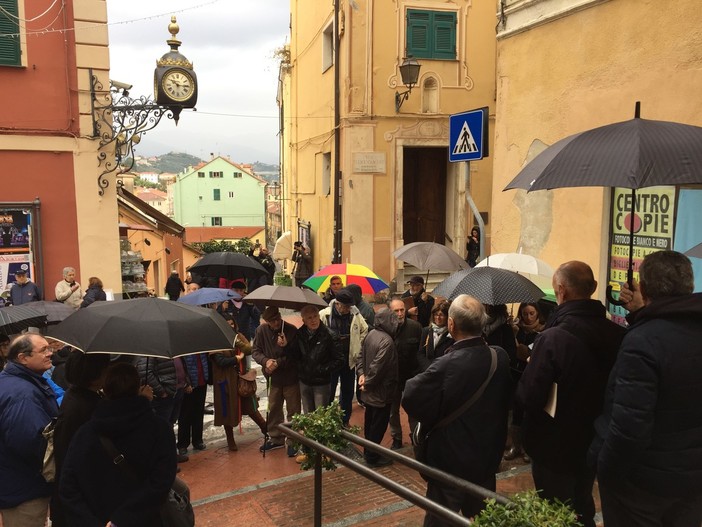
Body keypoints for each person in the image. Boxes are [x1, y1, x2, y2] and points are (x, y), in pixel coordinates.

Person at [594, 251, 702, 527]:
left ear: (643, 287)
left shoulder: (642, 342)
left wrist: (605, 470)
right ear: (689, 285)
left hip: (643, 487)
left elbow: (630, 427)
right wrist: (640, 315)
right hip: (690, 480)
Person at [516, 261, 626, 527]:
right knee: (582, 501)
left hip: (555, 445)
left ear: (561, 291)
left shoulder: (553, 338)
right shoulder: (618, 334)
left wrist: (531, 366)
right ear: (594, 289)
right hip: (594, 438)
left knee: (554, 511)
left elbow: (530, 396)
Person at [403, 295, 512, 524]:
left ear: (451, 324)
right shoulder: (499, 357)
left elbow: (410, 395)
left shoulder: (446, 364)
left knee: (441, 519)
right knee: (484, 517)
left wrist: (433, 414)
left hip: (450, 462)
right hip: (486, 457)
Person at [59, 362, 176, 527]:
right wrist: (121, 520)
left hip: (98, 518)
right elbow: (162, 481)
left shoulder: (85, 433)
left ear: (105, 390)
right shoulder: (159, 429)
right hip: (146, 520)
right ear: (138, 387)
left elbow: (68, 486)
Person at [0, 333, 59, 526]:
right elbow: (32, 442)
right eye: (43, 350)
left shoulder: (20, 381)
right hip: (24, 488)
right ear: (23, 358)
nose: (50, 353)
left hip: (17, 482)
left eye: (49, 348)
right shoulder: (22, 394)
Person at [50, 351, 111, 527]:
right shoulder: (85, 407)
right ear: (95, 374)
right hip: (85, 498)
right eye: (106, 368)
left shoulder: (77, 396)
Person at [211, 315, 267, 451]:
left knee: (252, 408)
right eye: (227, 324)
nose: (230, 326)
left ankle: (267, 430)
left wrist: (237, 342)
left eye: (232, 324)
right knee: (227, 411)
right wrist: (237, 358)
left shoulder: (238, 336)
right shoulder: (216, 340)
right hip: (225, 382)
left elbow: (248, 349)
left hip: (242, 380)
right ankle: (230, 440)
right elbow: (220, 361)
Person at [251, 306, 300, 455]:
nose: (276, 322)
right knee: (273, 409)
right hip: (272, 378)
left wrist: (279, 360)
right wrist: (265, 361)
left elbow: (296, 355)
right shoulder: (261, 331)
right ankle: (276, 438)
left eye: (277, 318)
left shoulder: (291, 330)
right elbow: (255, 351)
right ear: (266, 321)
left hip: (291, 377)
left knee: (293, 410)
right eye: (272, 321)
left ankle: (293, 440)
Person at [357, 307, 399, 467]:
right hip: (381, 392)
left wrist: (361, 375)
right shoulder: (387, 341)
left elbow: (361, 356)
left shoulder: (371, 334)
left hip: (370, 392)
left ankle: (369, 452)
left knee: (369, 423)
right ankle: (372, 457)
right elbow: (378, 366)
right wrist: (367, 382)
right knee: (377, 426)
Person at [320, 288, 368, 427]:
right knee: (329, 390)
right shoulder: (324, 314)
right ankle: (327, 419)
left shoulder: (355, 314)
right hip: (331, 360)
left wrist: (358, 344)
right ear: (337, 304)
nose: (348, 309)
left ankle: (345, 419)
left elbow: (365, 329)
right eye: (345, 306)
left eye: (349, 306)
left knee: (347, 391)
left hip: (349, 359)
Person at [504, 302, 545, 461]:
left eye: (532, 313)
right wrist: (512, 333)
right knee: (517, 411)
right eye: (525, 314)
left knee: (530, 412)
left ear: (537, 314)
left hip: (532, 376)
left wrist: (516, 341)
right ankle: (515, 445)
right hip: (516, 375)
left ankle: (528, 447)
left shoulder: (542, 332)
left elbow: (525, 353)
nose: (528, 317)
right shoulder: (517, 329)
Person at [294, 305, 344, 413]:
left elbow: (340, 360)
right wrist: (285, 346)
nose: (313, 320)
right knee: (308, 414)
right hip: (304, 381)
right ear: (304, 320)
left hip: (321, 383)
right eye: (309, 318)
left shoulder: (330, 335)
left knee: (320, 416)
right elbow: (294, 355)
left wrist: (322, 369)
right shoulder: (299, 334)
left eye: (315, 316)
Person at [388, 298, 422, 449]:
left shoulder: (416, 327)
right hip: (393, 378)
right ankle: (396, 438)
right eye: (396, 311)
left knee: (414, 410)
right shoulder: (386, 328)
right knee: (392, 411)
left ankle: (416, 436)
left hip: (412, 377)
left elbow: (421, 353)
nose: (400, 313)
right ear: (390, 312)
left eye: (402, 310)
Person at [177, 353, 209, 455]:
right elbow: (181, 366)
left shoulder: (200, 345)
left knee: (198, 413)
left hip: (202, 382)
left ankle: (197, 440)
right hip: (189, 384)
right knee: (185, 414)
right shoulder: (184, 347)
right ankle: (182, 444)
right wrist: (186, 383)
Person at [416, 300, 454, 373]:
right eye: (436, 314)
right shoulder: (426, 331)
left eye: (441, 315)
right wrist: (428, 368)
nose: (438, 318)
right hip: (427, 371)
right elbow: (420, 353)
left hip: (443, 371)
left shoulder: (451, 334)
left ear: (447, 317)